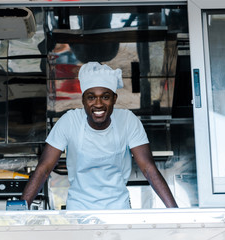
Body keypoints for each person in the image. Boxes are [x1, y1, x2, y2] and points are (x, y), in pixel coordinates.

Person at [21, 62, 178, 210]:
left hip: (118, 208)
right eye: (91, 97)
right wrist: (20, 209)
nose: (98, 104)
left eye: (105, 96)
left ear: (114, 99)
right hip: (79, 209)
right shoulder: (69, 121)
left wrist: (175, 211)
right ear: (83, 100)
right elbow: (44, 168)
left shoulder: (128, 120)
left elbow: (148, 168)